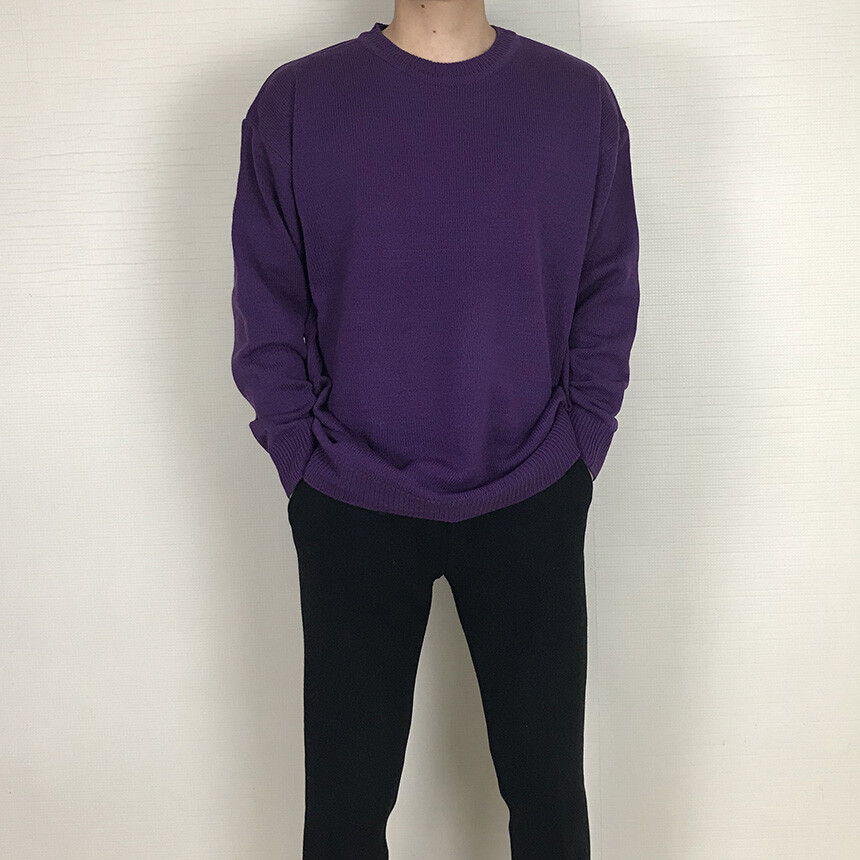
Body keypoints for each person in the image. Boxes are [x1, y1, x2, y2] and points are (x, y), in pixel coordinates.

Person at [230, 2, 639, 857]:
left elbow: (608, 287)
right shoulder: (296, 102)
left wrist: (579, 444)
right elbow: (267, 302)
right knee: (344, 814)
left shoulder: (577, 102)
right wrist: (300, 453)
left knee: (550, 805)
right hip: (349, 493)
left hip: (532, 486)